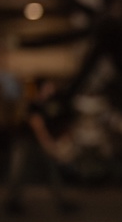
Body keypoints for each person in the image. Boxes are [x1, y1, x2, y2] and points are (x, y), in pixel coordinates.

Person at [5, 77, 76, 214]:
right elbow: (39, 128)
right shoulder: (35, 105)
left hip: (41, 144)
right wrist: (50, 146)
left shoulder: (52, 104)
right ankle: (12, 202)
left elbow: (60, 123)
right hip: (27, 143)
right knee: (19, 173)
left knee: (51, 172)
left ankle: (62, 202)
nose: (52, 89)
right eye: (48, 87)